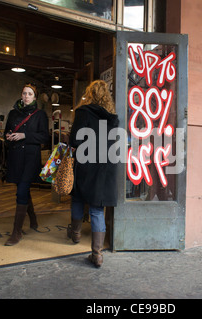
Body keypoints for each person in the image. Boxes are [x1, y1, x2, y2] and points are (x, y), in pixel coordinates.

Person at [68, 80, 119, 267]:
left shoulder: (83, 112)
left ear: (90, 94)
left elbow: (74, 140)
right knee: (97, 208)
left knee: (78, 199)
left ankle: (75, 235)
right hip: (105, 167)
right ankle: (97, 254)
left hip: (85, 163)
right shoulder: (113, 117)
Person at [3, 83, 49, 246]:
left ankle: (16, 232)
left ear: (35, 97)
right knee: (22, 189)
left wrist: (24, 135)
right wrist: (9, 136)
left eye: (30, 94)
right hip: (15, 157)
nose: (26, 96)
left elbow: (44, 137)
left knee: (22, 190)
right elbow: (6, 132)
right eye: (24, 93)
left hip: (30, 158)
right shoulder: (13, 113)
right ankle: (33, 217)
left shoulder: (40, 115)